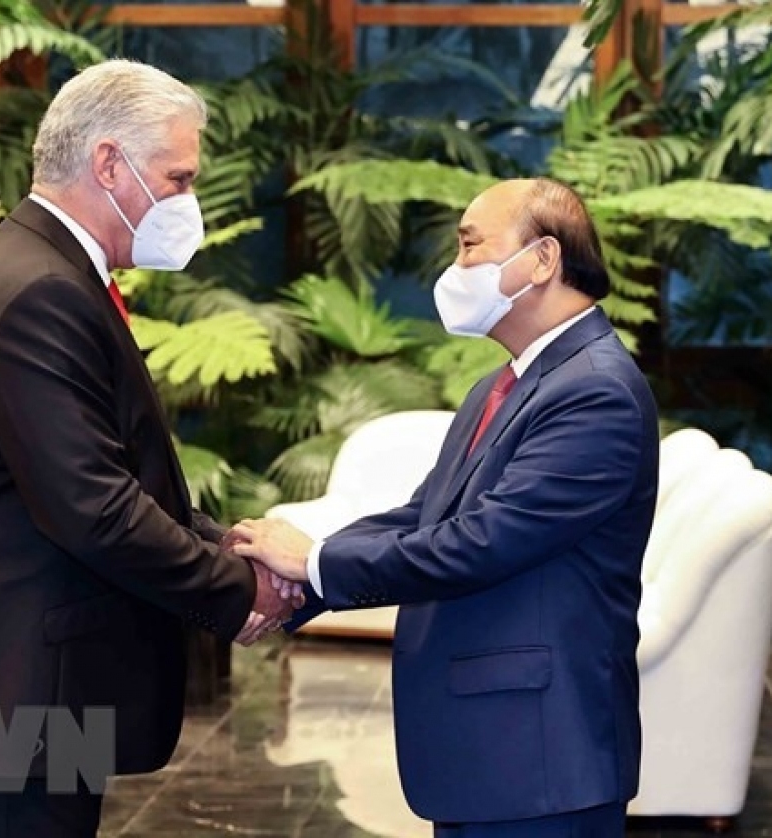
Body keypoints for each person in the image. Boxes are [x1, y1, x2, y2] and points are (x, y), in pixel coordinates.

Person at [0, 59, 298, 837]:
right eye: (176, 179)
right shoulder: (40, 288)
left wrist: (226, 541)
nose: (187, 204)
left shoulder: (43, 267)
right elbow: (93, 509)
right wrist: (238, 588)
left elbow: (111, 473)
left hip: (21, 695)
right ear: (109, 163)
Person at [231, 178, 660, 836]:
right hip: (490, 756)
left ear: (543, 260)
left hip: (539, 762)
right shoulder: (508, 381)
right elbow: (427, 516)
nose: (455, 270)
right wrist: (299, 581)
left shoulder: (595, 392)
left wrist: (314, 566)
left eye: (469, 247)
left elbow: (481, 543)